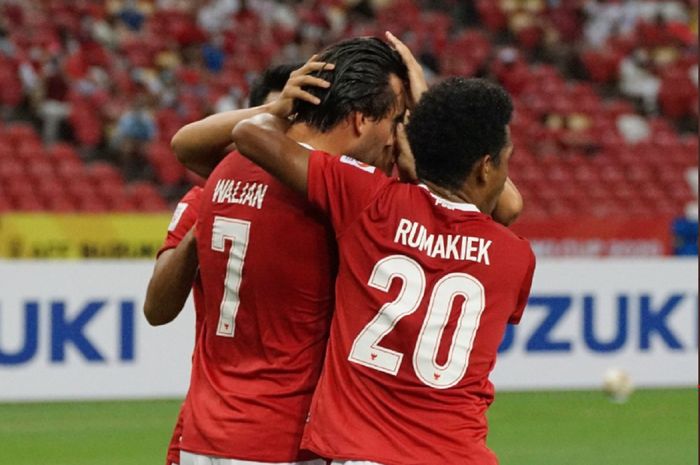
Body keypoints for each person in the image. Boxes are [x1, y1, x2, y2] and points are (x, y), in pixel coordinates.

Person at [230, 77, 536, 465]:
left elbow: (251, 136)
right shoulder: (515, 257)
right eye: (506, 159)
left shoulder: (369, 200)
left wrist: (281, 107)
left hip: (363, 452)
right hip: (458, 455)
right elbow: (503, 211)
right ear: (485, 167)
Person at [176, 37, 410, 465]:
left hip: (206, 435)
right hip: (282, 439)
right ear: (360, 120)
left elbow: (185, 144)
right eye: (395, 121)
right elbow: (487, 209)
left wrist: (271, 110)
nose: (395, 138)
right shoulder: (342, 196)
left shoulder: (231, 164)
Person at [143, 62, 310, 465]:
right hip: (217, 423)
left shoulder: (318, 200)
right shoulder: (205, 198)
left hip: (290, 427)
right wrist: (206, 225)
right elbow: (157, 309)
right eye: (273, 123)